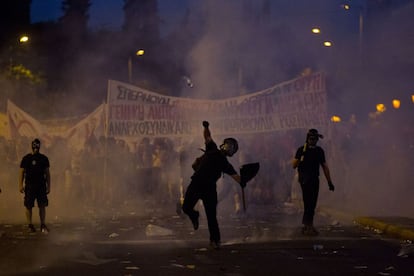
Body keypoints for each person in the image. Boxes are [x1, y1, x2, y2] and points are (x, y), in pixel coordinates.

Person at [182, 121, 243, 249]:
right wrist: (206, 127)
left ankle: (215, 240)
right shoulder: (212, 149)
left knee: (211, 216)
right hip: (197, 183)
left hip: (209, 189)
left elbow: (235, 177)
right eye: (229, 145)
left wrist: (243, 181)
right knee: (186, 207)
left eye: (231, 147)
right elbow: (207, 136)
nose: (229, 148)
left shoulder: (225, 163)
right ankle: (195, 215)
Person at [292, 129, 334, 236]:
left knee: (313, 203)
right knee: (308, 202)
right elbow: (294, 165)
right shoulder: (301, 149)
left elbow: (324, 167)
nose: (313, 140)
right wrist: (302, 155)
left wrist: (329, 182)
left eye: (315, 139)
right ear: (307, 139)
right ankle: (308, 226)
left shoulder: (319, 151)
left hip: (315, 179)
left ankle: (307, 225)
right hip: (304, 180)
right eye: (311, 138)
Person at [18, 138, 51, 233]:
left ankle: (43, 224)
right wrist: (20, 185)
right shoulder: (26, 158)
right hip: (30, 186)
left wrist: (49, 186)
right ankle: (30, 225)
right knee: (28, 205)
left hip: (41, 186)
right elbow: (21, 172)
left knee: (42, 205)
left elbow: (47, 173)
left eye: (37, 146)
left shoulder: (44, 158)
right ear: (32, 146)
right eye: (34, 146)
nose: (36, 148)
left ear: (39, 147)